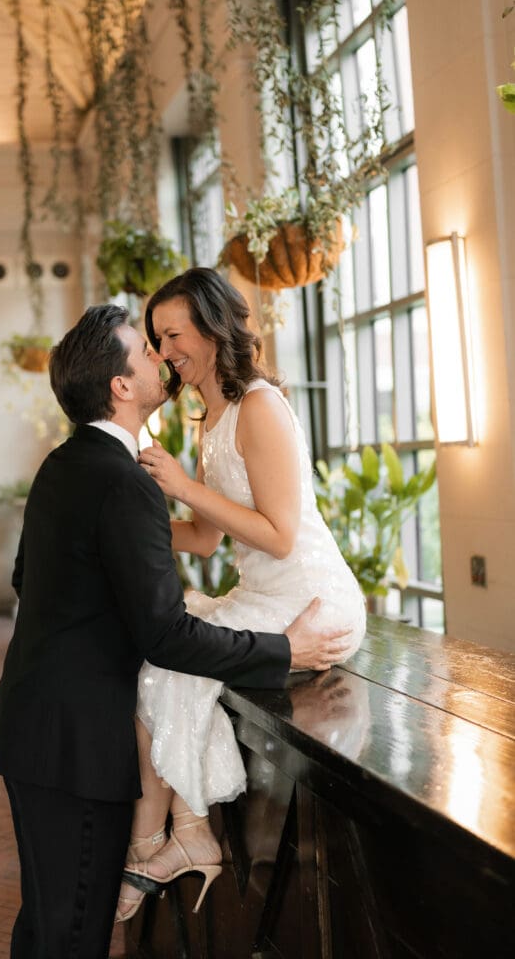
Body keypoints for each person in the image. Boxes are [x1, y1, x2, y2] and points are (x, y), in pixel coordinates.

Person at [0, 303, 355, 959]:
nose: (162, 357)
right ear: (120, 387)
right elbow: (166, 637)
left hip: (34, 728)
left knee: (45, 922)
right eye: (146, 350)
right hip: (75, 744)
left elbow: (28, 579)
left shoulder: (64, 465)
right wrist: (285, 649)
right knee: (72, 931)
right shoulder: (124, 481)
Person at [119, 268, 366, 918]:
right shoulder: (211, 418)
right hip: (259, 592)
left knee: (178, 657)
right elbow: (203, 538)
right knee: (160, 653)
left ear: (211, 326)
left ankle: (179, 836)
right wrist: (131, 521)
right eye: (156, 339)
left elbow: (281, 536)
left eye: (172, 334)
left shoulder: (259, 405)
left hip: (308, 597)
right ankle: (186, 832)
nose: (165, 350)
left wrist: (178, 482)